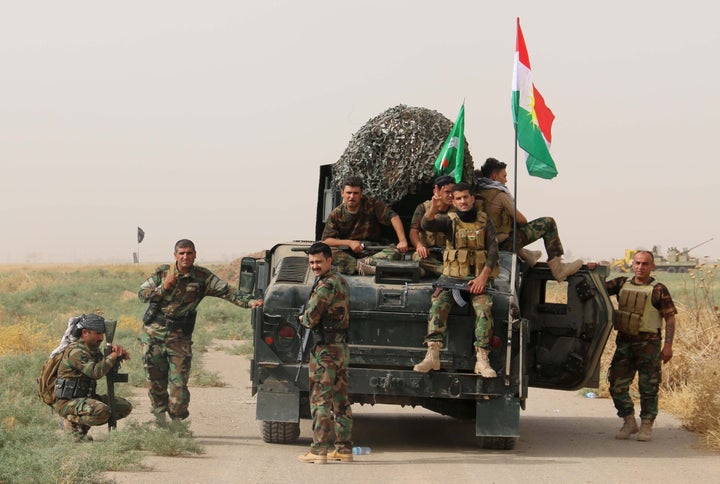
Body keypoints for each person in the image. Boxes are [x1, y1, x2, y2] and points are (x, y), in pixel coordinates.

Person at [138, 239, 263, 422]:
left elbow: (227, 291)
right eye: (181, 253)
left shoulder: (202, 277)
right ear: (175, 255)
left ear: (195, 255)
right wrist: (164, 286)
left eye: (189, 253)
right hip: (152, 335)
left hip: (179, 338)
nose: (185, 257)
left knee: (179, 385)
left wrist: (250, 302)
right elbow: (142, 294)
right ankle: (160, 420)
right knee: (155, 382)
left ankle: (177, 421)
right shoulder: (163, 272)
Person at [413, 182, 500, 378]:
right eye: (458, 198)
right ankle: (432, 354)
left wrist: (482, 278)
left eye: (465, 197)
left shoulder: (485, 221)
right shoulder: (449, 221)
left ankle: (482, 359)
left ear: (472, 198)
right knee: (437, 305)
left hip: (476, 280)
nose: (462, 201)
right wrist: (433, 208)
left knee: (484, 309)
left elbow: (493, 252)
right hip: (451, 279)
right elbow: (427, 225)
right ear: (453, 200)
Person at [602, 250, 677, 442]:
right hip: (625, 343)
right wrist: (593, 270)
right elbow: (596, 289)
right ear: (632, 264)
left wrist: (668, 346)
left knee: (648, 387)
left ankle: (646, 425)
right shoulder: (620, 283)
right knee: (616, 385)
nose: (640, 267)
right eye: (637, 263)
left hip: (649, 345)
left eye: (645, 264)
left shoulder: (659, 289)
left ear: (652, 267)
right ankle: (629, 421)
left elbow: (669, 318)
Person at [475, 157, 582, 281]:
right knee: (548, 223)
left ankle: (526, 254)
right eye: (504, 176)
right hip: (502, 245)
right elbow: (522, 220)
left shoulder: (478, 192)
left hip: (486, 244)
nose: (506, 180)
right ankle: (558, 268)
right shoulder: (499, 194)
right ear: (494, 176)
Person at [297, 242, 353, 464]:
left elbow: (311, 318)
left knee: (320, 399)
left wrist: (301, 318)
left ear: (330, 260)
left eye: (318, 261)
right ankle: (343, 448)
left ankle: (319, 449)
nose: (315, 266)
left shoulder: (325, 286)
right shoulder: (341, 281)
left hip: (325, 351)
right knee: (341, 401)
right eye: (311, 262)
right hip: (340, 348)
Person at [54, 314, 132, 441]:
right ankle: (70, 422)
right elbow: (95, 372)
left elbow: (105, 367)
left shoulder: (93, 350)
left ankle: (79, 431)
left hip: (86, 398)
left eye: (102, 334)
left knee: (124, 407)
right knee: (102, 411)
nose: (101, 338)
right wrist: (111, 357)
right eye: (98, 334)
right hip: (68, 402)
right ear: (85, 333)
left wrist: (118, 356)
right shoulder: (76, 351)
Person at [322, 176, 409, 275]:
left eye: (355, 193)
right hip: (348, 252)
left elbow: (393, 217)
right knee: (326, 251)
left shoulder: (371, 204)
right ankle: (361, 267)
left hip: (372, 250)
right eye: (348, 193)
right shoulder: (336, 214)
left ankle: (360, 265)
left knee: (395, 253)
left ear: (361, 193)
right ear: (342, 193)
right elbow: (326, 240)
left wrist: (402, 240)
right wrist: (350, 243)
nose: (351, 197)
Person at [409, 175, 455, 277]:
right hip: (429, 253)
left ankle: (438, 272)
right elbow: (414, 231)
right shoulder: (423, 208)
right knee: (418, 257)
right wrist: (419, 246)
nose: (451, 195)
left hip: (449, 253)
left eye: (453, 192)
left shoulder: (457, 209)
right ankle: (446, 272)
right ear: (436, 191)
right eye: (447, 192)